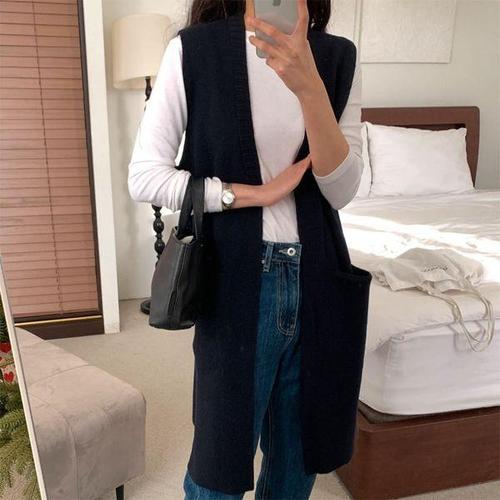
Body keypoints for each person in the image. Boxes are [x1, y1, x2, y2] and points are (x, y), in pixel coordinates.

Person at [128, 1, 371, 499]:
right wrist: (247, 194)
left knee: (298, 459)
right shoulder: (195, 51)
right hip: (234, 278)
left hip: (320, 278)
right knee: (218, 463)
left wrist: (309, 86)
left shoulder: (338, 58)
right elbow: (145, 176)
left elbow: (341, 191)